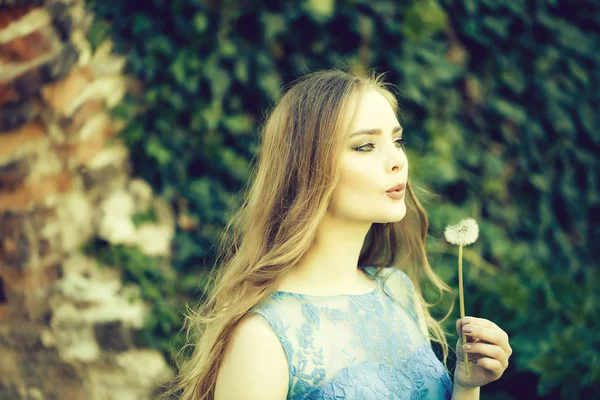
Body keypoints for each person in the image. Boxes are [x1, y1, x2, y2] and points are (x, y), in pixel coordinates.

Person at [164, 69, 512, 399]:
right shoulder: (262, 337)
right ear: (308, 169)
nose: (397, 161)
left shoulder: (396, 289)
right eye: (365, 146)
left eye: (397, 140)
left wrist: (466, 386)